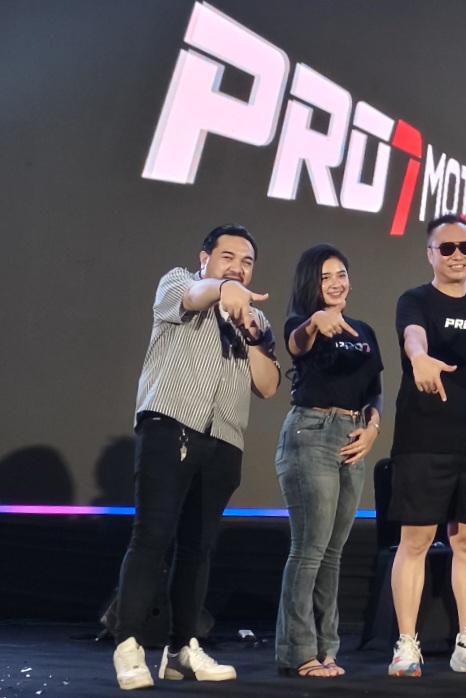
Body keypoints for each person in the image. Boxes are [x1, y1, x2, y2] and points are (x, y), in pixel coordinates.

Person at [112, 224, 280, 690]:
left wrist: (252, 336)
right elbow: (195, 295)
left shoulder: (255, 318)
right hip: (170, 425)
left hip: (224, 438)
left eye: (246, 262)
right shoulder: (179, 282)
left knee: (198, 547)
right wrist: (222, 289)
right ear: (205, 258)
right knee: (151, 537)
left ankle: (182, 649)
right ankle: (128, 645)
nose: (238, 268)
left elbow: (268, 386)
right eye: (228, 257)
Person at [387, 214, 466, 678]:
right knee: (415, 541)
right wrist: (419, 357)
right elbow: (412, 335)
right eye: (447, 247)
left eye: (465, 247)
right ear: (430, 254)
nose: (457, 255)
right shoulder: (414, 300)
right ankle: (406, 644)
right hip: (423, 440)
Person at [274, 244, 383, 678]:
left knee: (333, 553)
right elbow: (296, 345)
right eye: (325, 277)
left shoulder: (364, 329)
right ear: (311, 284)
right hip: (311, 433)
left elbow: (374, 389)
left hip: (353, 437)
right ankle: (298, 652)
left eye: (341, 274)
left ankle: (326, 648)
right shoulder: (301, 324)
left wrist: (373, 427)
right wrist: (315, 322)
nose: (337, 283)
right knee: (309, 549)